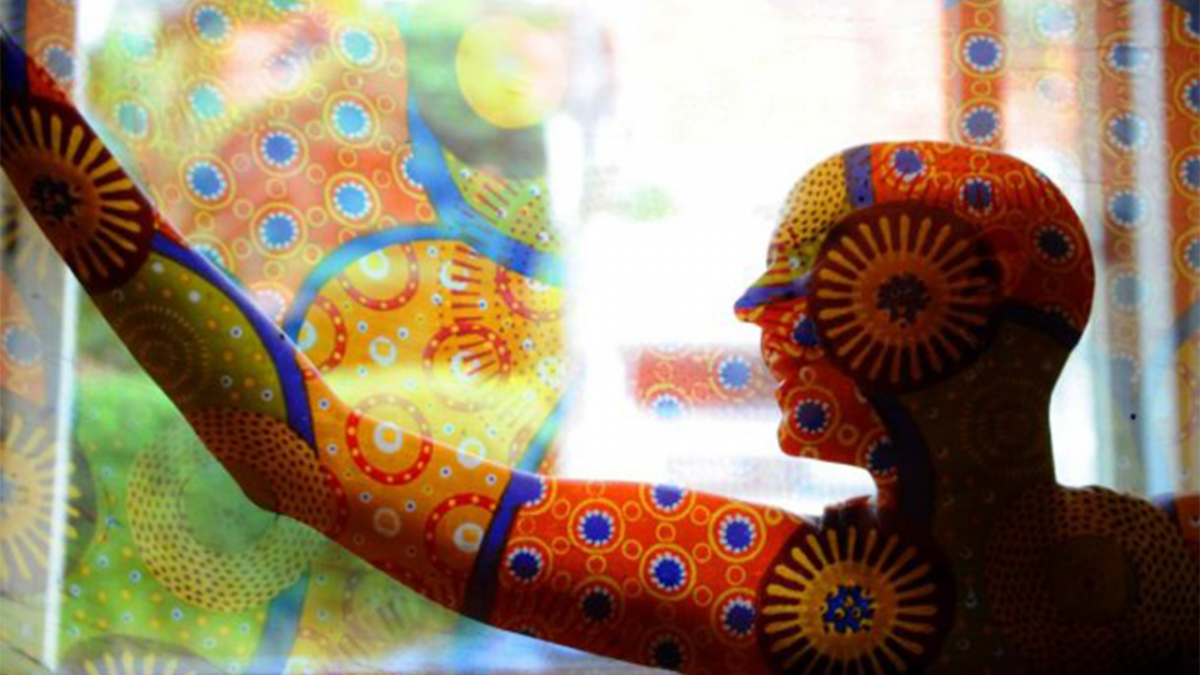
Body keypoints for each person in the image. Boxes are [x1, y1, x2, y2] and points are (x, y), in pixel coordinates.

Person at [2, 33, 1196, 674]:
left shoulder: (777, 600)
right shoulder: (1167, 562)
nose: (756, 311)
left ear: (919, 312)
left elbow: (309, 462)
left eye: (798, 280)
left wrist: (35, 129)